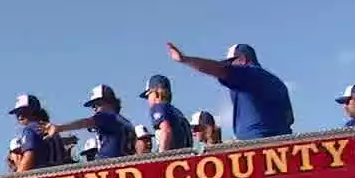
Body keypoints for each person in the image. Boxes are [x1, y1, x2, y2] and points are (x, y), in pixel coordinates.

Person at [164, 42, 293, 140]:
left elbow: (219, 69)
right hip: (284, 144)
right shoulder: (278, 83)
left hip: (257, 145)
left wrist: (185, 59)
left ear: (242, 59)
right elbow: (290, 118)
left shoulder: (247, 73)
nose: (230, 67)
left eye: (231, 63)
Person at [44, 84, 136, 160]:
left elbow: (84, 122)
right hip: (124, 164)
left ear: (110, 102)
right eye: (92, 105)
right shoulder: (124, 122)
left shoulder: (107, 116)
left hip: (110, 166)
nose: (94, 108)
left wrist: (59, 128)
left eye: (98, 103)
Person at [9, 94, 65, 171]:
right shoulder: (49, 128)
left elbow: (29, 156)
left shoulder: (30, 129)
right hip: (60, 173)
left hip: (42, 176)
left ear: (34, 110)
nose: (20, 116)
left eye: (23, 111)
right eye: (17, 112)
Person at [138, 74, 193, 152]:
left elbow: (166, 130)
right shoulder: (177, 112)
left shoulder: (158, 107)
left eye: (148, 95)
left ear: (156, 93)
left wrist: (162, 156)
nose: (148, 100)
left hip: (172, 157)